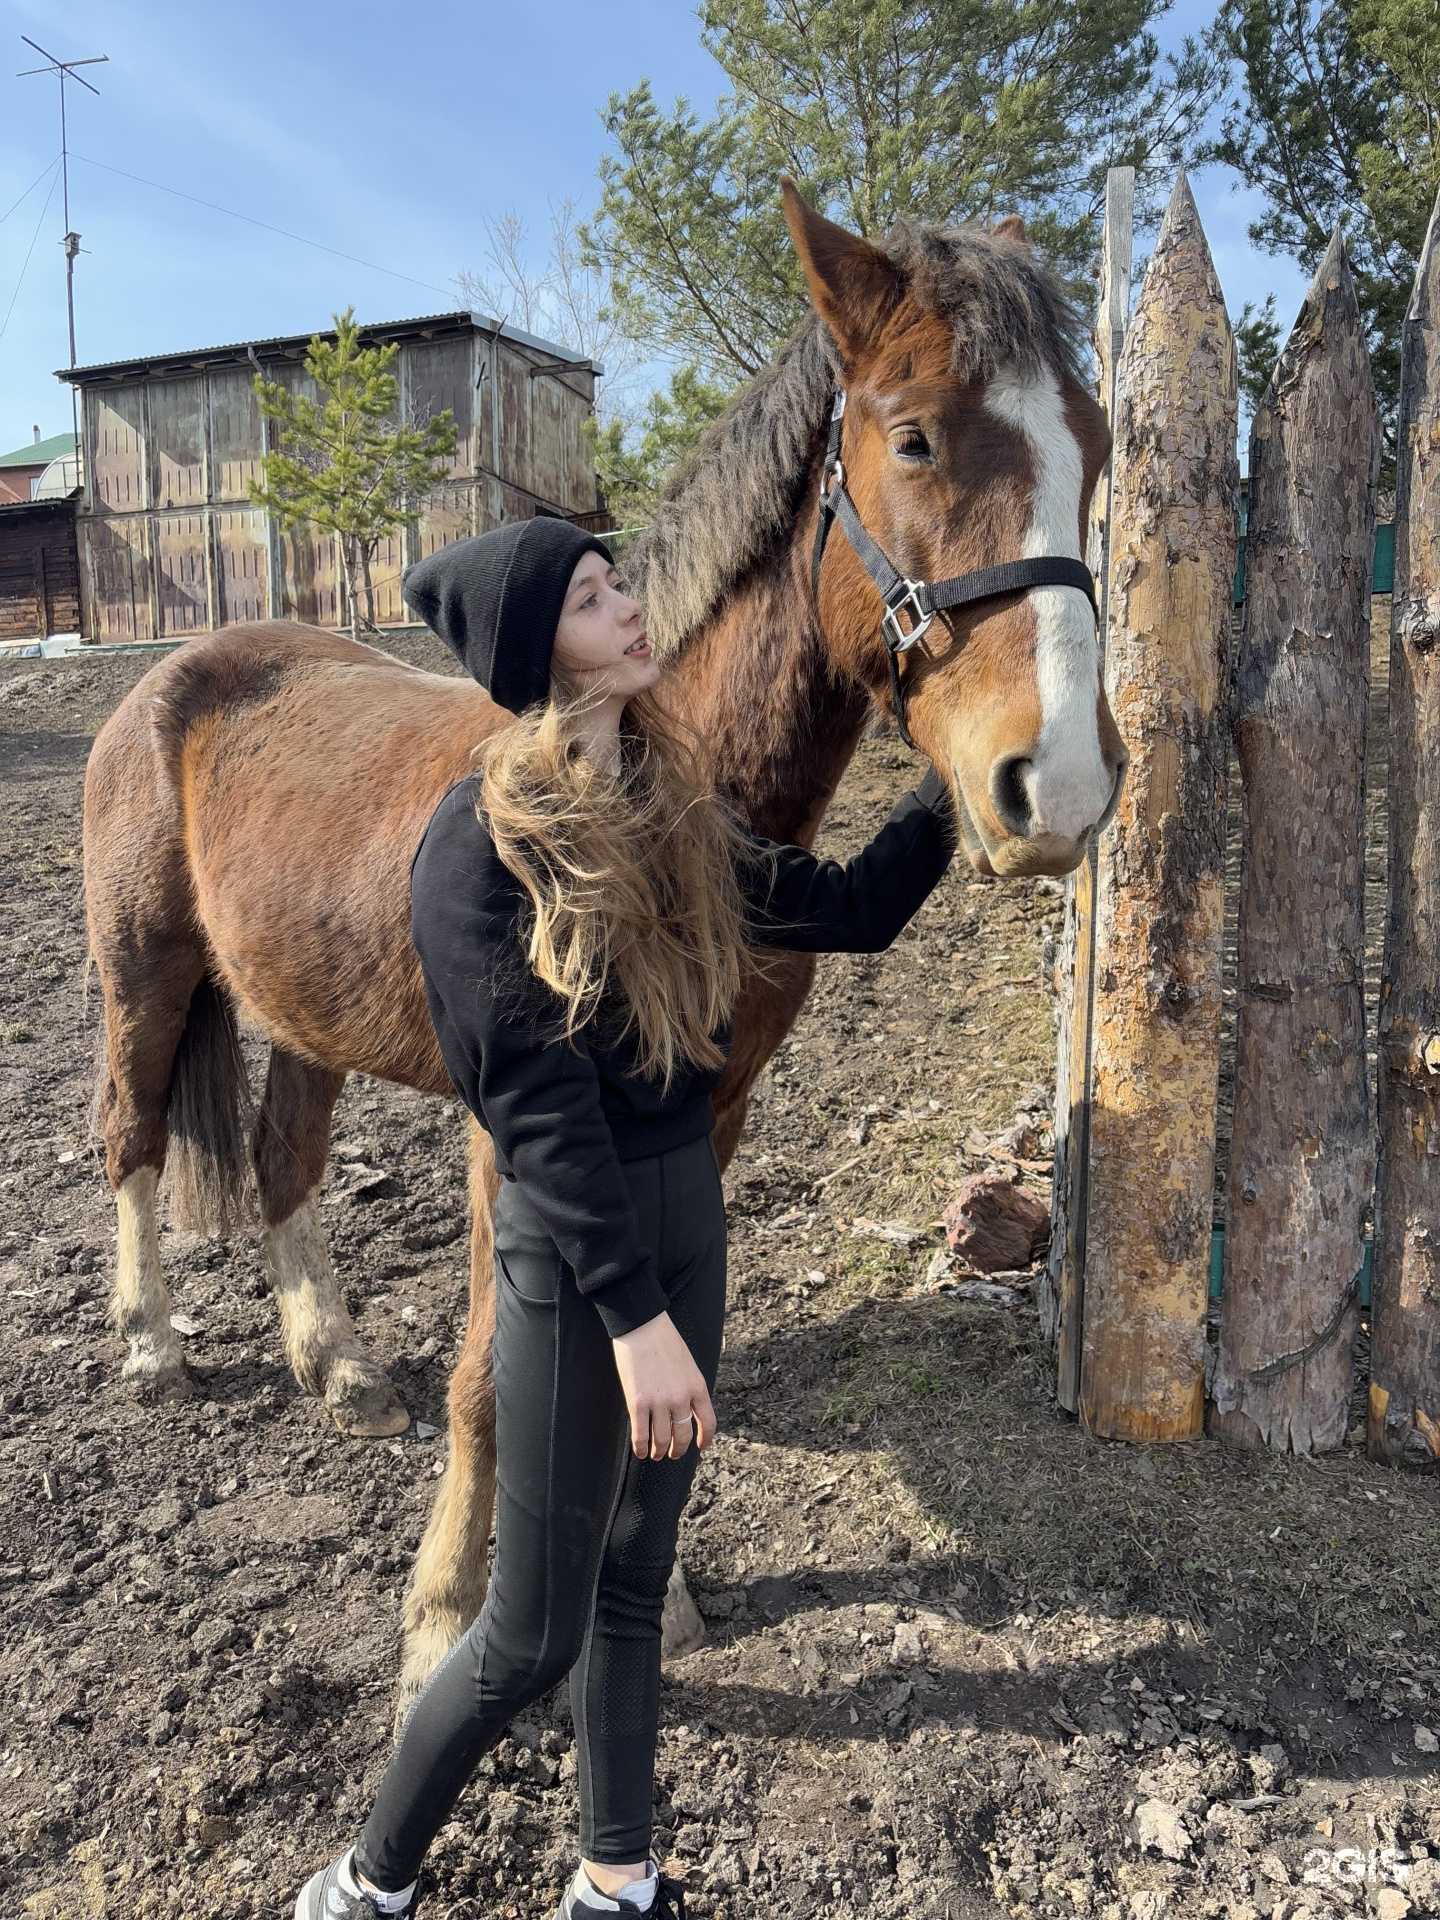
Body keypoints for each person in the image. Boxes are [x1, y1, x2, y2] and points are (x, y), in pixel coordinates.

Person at [294, 517, 958, 1920]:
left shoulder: (675, 810)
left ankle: (617, 1875)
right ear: (544, 650)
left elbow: (851, 908)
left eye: (619, 584)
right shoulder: (476, 854)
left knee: (636, 1577)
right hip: (571, 1260)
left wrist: (959, 768)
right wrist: (640, 1322)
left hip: (683, 1231)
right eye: (596, 599)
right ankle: (366, 1881)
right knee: (527, 1628)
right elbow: (537, 1120)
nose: (632, 608)